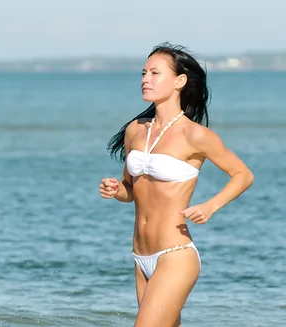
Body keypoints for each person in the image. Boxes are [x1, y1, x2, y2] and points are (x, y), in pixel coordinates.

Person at [99, 42, 254, 327]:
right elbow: (129, 190)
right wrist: (115, 190)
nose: (146, 79)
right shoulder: (135, 130)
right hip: (141, 257)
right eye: (144, 73)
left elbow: (243, 174)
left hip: (175, 255)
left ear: (180, 81)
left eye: (155, 73)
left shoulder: (196, 135)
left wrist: (210, 206)